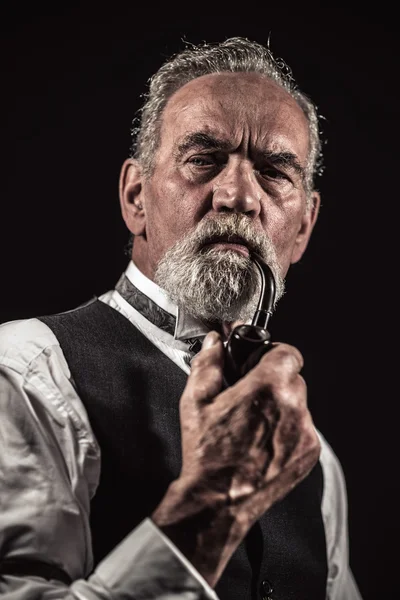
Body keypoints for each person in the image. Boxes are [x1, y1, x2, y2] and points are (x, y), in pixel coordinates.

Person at [0, 37, 362, 600]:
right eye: (203, 159)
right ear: (136, 196)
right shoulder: (26, 372)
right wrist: (213, 501)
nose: (238, 196)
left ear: (304, 228)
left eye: (273, 172)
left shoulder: (311, 456)